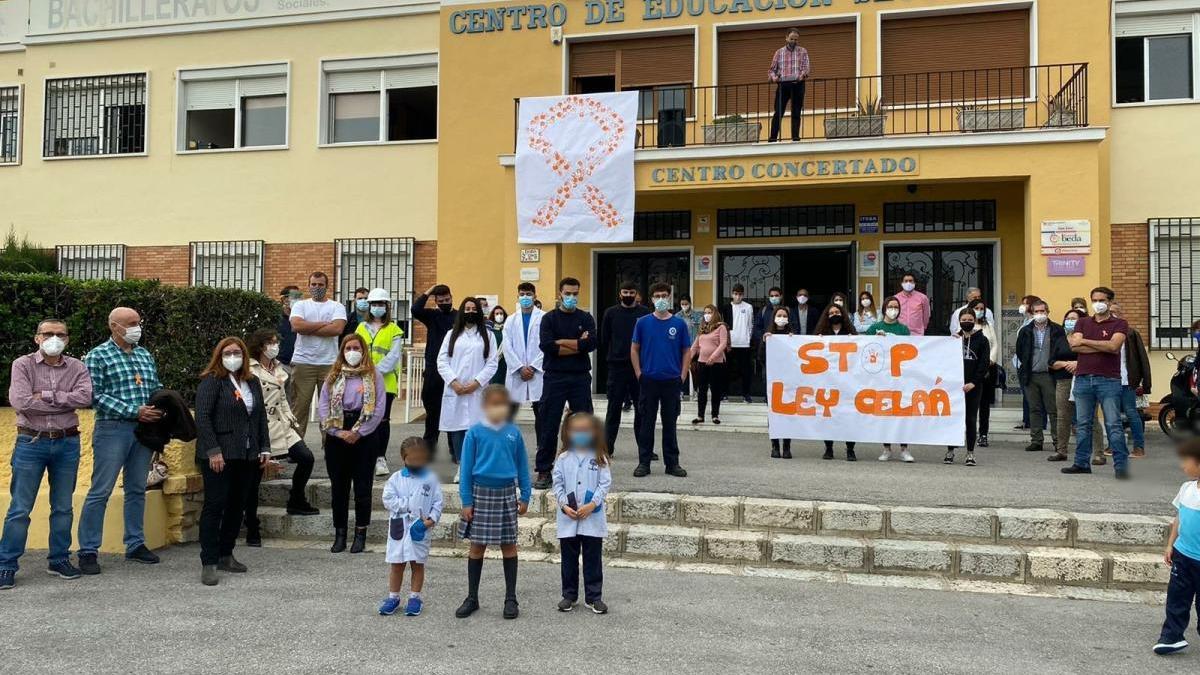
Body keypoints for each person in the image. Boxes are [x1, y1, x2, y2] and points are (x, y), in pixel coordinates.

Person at [0, 320, 93, 589]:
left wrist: (45, 397)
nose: (55, 338)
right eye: (48, 334)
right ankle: (6, 564)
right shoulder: (23, 364)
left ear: (68, 339)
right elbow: (20, 401)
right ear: (37, 338)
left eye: (60, 334)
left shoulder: (77, 367)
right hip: (31, 442)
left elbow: (84, 398)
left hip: (67, 443)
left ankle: (59, 559)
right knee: (20, 508)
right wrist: (63, 400)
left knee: (63, 507)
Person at [77, 307, 163, 574]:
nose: (138, 327)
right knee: (101, 490)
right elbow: (94, 395)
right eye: (132, 323)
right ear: (115, 327)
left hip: (144, 430)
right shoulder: (97, 356)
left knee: (137, 488)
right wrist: (133, 410)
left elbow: (154, 386)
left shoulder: (144, 354)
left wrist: (160, 405)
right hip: (113, 429)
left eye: (138, 321)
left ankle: (135, 543)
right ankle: (88, 550)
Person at [194, 337, 271, 586]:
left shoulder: (252, 382)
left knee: (237, 506)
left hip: (247, 454)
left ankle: (226, 554)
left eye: (237, 352)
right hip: (219, 454)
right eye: (228, 353)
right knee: (215, 505)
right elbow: (203, 418)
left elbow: (260, 417)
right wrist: (214, 451)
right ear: (219, 355)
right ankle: (209, 561)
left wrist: (265, 447)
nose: (233, 357)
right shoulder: (212, 381)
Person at [455, 386, 532, 620]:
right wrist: (466, 500)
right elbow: (466, 469)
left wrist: (525, 495)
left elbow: (522, 467)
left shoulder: (513, 432)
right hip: (481, 493)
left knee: (509, 545)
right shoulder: (475, 432)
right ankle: (472, 597)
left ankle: (511, 598)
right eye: (493, 403)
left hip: (506, 492)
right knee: (477, 546)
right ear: (485, 406)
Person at [244, 329, 319, 544]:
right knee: (254, 477)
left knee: (306, 457)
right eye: (270, 343)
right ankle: (251, 524)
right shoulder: (250, 369)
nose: (274, 347)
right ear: (259, 346)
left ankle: (296, 499)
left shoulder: (278, 367)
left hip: (281, 424)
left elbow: (283, 398)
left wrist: (290, 419)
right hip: (261, 425)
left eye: (276, 342)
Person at [319, 334, 387, 554]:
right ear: (342, 351)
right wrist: (337, 432)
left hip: (364, 433)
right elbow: (323, 407)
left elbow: (378, 409)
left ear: (364, 350)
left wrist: (359, 432)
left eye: (356, 347)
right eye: (348, 348)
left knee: (362, 487)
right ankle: (340, 534)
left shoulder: (373, 375)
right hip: (337, 434)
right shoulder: (333, 375)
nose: (352, 352)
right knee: (339, 487)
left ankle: (360, 533)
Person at [1062, 287, 1131, 479]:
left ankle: (1121, 467)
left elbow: (1114, 346)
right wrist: (1102, 346)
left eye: (1101, 299)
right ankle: (1081, 463)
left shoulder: (1119, 323)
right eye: (1094, 299)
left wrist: (1088, 342)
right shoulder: (1083, 322)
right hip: (1083, 378)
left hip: (1108, 380)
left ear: (1109, 302)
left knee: (1113, 424)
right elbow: (1075, 345)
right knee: (1083, 424)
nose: (1097, 303)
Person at [536, 277, 597, 489]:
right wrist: (577, 344)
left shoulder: (586, 318)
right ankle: (544, 470)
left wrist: (561, 341)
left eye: (575, 293)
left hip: (579, 376)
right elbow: (547, 346)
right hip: (555, 376)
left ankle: (586, 467)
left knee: (583, 423)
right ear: (560, 293)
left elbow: (591, 344)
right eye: (568, 293)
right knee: (549, 423)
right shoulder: (549, 319)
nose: (571, 297)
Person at [552, 412, 612, 615]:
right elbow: (557, 484)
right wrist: (563, 505)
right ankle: (569, 595)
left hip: (591, 517)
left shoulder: (599, 456)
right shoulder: (563, 458)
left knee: (592, 557)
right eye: (576, 430)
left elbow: (604, 484)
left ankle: (594, 597)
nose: (581, 434)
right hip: (568, 516)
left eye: (585, 430)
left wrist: (592, 504)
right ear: (567, 433)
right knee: (569, 558)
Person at [631, 282, 692, 478]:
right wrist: (639, 373)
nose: (661, 299)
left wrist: (682, 375)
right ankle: (644, 463)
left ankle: (672, 464)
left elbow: (687, 351)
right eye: (657, 296)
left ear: (669, 298)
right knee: (646, 424)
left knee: (670, 424)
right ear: (651, 299)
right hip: (648, 380)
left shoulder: (679, 324)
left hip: (672, 381)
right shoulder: (642, 322)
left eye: (664, 296)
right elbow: (634, 349)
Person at [379, 437, 444, 617]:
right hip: (400, 526)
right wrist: (408, 505)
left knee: (417, 563)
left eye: (420, 460)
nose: (416, 463)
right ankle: (393, 596)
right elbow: (388, 500)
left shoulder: (430, 479)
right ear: (403, 458)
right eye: (412, 460)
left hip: (419, 527)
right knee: (397, 564)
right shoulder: (396, 479)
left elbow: (438, 503)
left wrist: (430, 520)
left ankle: (415, 597)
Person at [437, 297, 500, 475]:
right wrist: (454, 382)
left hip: (477, 390)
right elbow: (442, 361)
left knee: (477, 429)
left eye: (474, 309)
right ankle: (462, 467)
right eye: (467, 308)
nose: (470, 312)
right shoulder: (451, 335)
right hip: (455, 390)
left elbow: (492, 363)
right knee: (457, 430)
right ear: (462, 311)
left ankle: (477, 467)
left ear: (478, 312)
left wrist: (476, 383)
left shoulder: (488, 336)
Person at [1154, 439, 1200, 656]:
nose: (1183, 466)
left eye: (1187, 461)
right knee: (1177, 597)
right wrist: (1170, 545)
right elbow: (1178, 518)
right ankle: (1171, 636)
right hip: (1182, 555)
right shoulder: (1187, 488)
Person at [289, 272, 348, 437]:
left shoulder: (337, 306)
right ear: (308, 285)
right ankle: (296, 446)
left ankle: (329, 445)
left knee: (329, 407)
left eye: (320, 285)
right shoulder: (300, 305)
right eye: (313, 284)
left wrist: (309, 328)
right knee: (299, 407)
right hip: (302, 362)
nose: (316, 288)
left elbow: (337, 329)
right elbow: (297, 326)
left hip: (329, 363)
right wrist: (323, 324)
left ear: (327, 286)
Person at [356, 288, 405, 477]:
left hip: (386, 382)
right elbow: (355, 349)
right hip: (363, 379)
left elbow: (393, 356)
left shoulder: (395, 330)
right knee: (365, 417)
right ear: (369, 306)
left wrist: (374, 371)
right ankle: (365, 455)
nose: (378, 307)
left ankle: (380, 458)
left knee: (382, 420)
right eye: (374, 304)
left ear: (387, 306)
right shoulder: (361, 328)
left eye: (381, 304)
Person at [599, 281, 649, 457]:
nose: (628, 295)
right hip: (617, 367)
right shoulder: (610, 313)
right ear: (620, 294)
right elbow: (604, 339)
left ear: (636, 294)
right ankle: (607, 448)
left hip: (638, 368)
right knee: (613, 409)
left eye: (631, 292)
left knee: (641, 409)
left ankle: (645, 449)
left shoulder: (644, 313)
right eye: (625, 292)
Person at [866, 298, 913, 462]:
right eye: (890, 306)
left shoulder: (903, 329)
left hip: (900, 377)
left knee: (902, 412)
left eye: (896, 307)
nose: (893, 309)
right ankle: (886, 448)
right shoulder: (874, 327)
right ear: (884, 308)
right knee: (885, 412)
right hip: (881, 377)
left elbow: (910, 350)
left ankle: (904, 448)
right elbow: (865, 349)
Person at [413, 284, 458, 455]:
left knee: (453, 411)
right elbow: (415, 309)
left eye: (447, 300)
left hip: (453, 371)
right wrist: (429, 291)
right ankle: (429, 449)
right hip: (433, 371)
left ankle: (455, 450)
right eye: (440, 301)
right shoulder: (432, 316)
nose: (444, 303)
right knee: (432, 412)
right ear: (436, 301)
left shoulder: (459, 317)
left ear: (451, 297)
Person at [1015, 299, 1064, 453]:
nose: (1040, 314)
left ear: (1047, 312)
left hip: (1050, 375)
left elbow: (1061, 349)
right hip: (1031, 375)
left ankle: (1058, 441)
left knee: (1053, 409)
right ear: (1032, 313)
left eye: (1042, 311)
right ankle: (1036, 440)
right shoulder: (1026, 330)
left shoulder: (1056, 329)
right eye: (1037, 311)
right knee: (1034, 408)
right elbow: (1020, 350)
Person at [944, 309, 991, 467]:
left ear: (974, 320)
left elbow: (984, 364)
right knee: (953, 419)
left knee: (970, 419)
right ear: (959, 320)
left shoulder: (982, 340)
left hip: (973, 386)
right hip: (955, 387)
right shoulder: (953, 339)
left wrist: (974, 382)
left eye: (970, 319)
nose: (967, 321)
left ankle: (970, 452)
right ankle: (950, 450)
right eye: (964, 319)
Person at [814, 304, 857, 461]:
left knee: (849, 416)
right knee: (829, 417)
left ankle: (850, 449)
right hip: (828, 381)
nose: (834, 315)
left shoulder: (851, 333)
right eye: (831, 313)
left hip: (847, 382)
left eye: (837, 312)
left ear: (843, 314)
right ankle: (829, 448)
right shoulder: (821, 334)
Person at [502, 282, 545, 435]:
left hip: (538, 372)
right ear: (518, 296)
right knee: (509, 413)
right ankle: (507, 445)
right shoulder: (510, 320)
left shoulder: (544, 318)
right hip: (517, 372)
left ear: (535, 296)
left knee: (541, 413)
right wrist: (520, 368)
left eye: (528, 294)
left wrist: (533, 367)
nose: (525, 297)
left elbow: (546, 345)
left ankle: (542, 446)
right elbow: (507, 346)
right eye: (522, 294)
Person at [1110, 301, 1151, 460]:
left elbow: (1142, 358)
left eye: (1115, 312)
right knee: (1112, 415)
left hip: (1127, 380)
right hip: (1109, 380)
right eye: (1110, 312)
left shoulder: (1131, 333)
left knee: (1131, 412)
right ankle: (1114, 446)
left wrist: (1145, 383)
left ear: (1121, 315)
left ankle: (1139, 447)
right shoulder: (1103, 333)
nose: (1112, 315)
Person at [1047, 309, 1085, 463]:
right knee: (1062, 417)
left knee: (1087, 418)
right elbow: (1051, 362)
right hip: (1063, 381)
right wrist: (1066, 364)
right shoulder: (1060, 339)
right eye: (1068, 318)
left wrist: (1078, 364)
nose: (1070, 321)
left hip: (1083, 380)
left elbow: (1094, 357)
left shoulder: (1086, 338)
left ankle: (1097, 453)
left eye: (1074, 319)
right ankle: (1061, 450)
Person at [761, 306, 794, 459]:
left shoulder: (793, 336)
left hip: (788, 381)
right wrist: (764, 341)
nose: (781, 318)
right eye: (779, 315)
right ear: (774, 317)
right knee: (773, 413)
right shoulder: (769, 335)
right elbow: (761, 358)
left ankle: (787, 446)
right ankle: (774, 446)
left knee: (788, 413)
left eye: (784, 315)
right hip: (771, 381)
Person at [767, 27, 809, 143]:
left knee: (796, 112)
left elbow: (806, 68)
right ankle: (773, 138)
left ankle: (795, 137)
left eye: (796, 40)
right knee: (778, 112)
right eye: (791, 39)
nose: (794, 42)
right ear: (786, 38)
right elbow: (771, 70)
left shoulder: (803, 51)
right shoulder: (779, 52)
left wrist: (802, 76)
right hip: (783, 85)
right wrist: (775, 78)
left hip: (798, 85)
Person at [689, 305, 729, 426]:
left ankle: (715, 415)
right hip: (702, 362)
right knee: (702, 390)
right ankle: (700, 415)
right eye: (705, 312)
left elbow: (723, 344)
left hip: (716, 363)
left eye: (709, 312)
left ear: (715, 313)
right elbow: (695, 346)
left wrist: (713, 356)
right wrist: (687, 360)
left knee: (716, 389)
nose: (707, 315)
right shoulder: (702, 328)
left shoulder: (721, 327)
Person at [968, 299, 999, 447]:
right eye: (976, 308)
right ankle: (966, 433)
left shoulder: (988, 326)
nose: (979, 310)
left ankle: (983, 434)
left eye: (982, 308)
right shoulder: (965, 325)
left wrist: (989, 360)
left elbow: (994, 344)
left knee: (984, 404)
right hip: (969, 370)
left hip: (987, 369)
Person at [721, 284, 755, 403]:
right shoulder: (726, 307)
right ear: (732, 294)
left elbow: (751, 325)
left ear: (743, 295)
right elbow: (723, 326)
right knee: (726, 369)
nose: (737, 296)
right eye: (735, 294)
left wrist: (748, 338)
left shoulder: (749, 307)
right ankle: (724, 393)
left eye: (740, 294)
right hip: (729, 344)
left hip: (744, 344)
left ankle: (746, 394)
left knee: (745, 370)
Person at [277, 286, 301, 382]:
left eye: (299, 297)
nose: (297, 300)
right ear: (284, 299)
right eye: (294, 297)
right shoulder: (276, 318)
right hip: (281, 364)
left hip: (299, 365)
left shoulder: (301, 318)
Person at [487, 305, 509, 386]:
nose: (499, 315)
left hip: (506, 361)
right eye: (497, 314)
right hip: (494, 361)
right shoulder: (489, 331)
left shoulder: (508, 328)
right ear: (493, 315)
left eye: (501, 313)